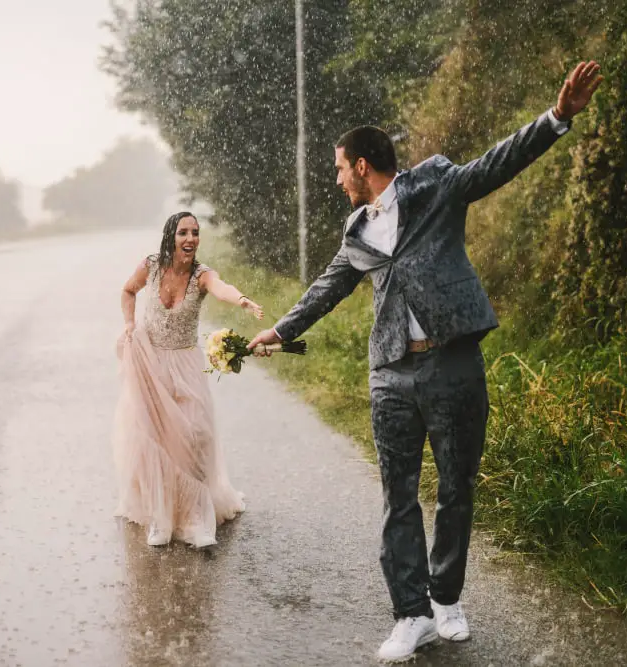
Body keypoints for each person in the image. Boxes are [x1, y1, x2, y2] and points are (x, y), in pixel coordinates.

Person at [248, 61, 604, 661]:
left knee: (457, 487)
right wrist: (281, 330)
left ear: (362, 166)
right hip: (390, 372)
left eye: (339, 169)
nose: (336, 180)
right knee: (399, 495)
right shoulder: (356, 229)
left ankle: (448, 601)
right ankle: (410, 614)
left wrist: (558, 117)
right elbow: (330, 285)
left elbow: (497, 162)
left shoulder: (435, 185)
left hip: (451, 363)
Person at [113, 211, 262, 548]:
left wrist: (241, 300)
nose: (191, 239)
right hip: (150, 362)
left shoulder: (201, 275)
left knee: (195, 437)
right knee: (155, 442)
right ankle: (160, 520)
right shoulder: (151, 266)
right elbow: (127, 291)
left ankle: (196, 521)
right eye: (183, 233)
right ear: (171, 237)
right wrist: (128, 323)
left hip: (185, 364)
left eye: (195, 233)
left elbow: (220, 287)